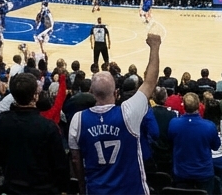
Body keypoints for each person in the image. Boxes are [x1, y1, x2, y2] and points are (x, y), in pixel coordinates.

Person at [69, 32, 162, 195]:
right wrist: (155, 47)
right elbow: (149, 82)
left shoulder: (78, 120)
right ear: (117, 93)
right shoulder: (128, 113)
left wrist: (83, 188)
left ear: (91, 92)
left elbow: (76, 160)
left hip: (97, 190)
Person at [0, 72, 68, 195]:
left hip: (12, 186)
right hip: (43, 189)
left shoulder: (0, 121)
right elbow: (60, 165)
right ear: (35, 96)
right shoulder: (48, 127)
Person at [168, 92, 219, 192]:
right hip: (203, 173)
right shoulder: (209, 126)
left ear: (184, 106)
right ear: (199, 105)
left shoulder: (174, 123)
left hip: (181, 172)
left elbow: (171, 142)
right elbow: (216, 146)